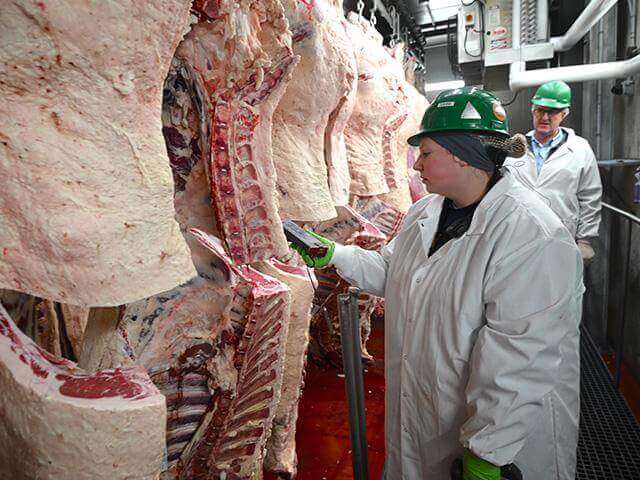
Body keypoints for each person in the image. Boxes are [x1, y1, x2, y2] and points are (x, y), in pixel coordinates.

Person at [292, 87, 584, 480]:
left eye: (425, 153)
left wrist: (488, 452)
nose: (415, 166)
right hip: (422, 417)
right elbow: (392, 273)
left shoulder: (532, 235)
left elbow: (521, 358)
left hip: (496, 445)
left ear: (464, 153)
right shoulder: (425, 212)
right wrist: (336, 255)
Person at [503, 80, 602, 263]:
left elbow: (590, 197)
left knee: (560, 289)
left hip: (561, 235)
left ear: (564, 114)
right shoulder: (515, 147)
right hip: (517, 236)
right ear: (532, 110)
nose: (545, 117)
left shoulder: (580, 149)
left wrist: (585, 240)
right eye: (540, 110)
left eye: (553, 112)